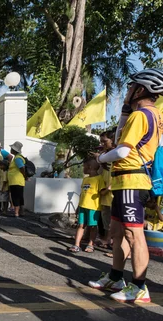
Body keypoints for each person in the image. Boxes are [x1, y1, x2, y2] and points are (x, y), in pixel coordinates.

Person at [89, 68, 163, 302]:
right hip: (124, 180)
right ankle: (116, 276)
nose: (126, 91)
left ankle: (139, 286)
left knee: (133, 233)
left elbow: (122, 149)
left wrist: (100, 159)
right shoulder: (147, 114)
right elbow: (122, 138)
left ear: (140, 90)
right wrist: (123, 113)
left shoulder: (142, 115)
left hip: (132, 179)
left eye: (130, 88)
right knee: (117, 231)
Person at [68, 158, 104, 253]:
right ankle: (76, 244)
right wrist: (78, 206)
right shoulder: (85, 179)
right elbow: (82, 194)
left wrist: (108, 189)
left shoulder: (99, 179)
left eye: (84, 166)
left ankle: (91, 244)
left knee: (93, 226)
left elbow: (102, 192)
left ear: (90, 167)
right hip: (83, 206)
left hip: (94, 207)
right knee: (81, 225)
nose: (83, 168)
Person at [96, 129, 115, 256]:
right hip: (105, 194)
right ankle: (108, 240)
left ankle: (115, 244)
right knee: (106, 219)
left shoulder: (117, 155)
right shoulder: (105, 157)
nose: (102, 144)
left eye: (105, 141)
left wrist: (110, 187)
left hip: (113, 193)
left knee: (116, 221)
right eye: (101, 142)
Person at [0, 141, 26, 217]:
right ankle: (21, 211)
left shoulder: (17, 158)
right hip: (16, 181)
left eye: (12, 148)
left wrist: (24, 175)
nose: (10, 150)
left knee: (16, 197)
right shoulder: (16, 158)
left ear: (15, 150)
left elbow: (22, 167)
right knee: (19, 196)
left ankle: (16, 213)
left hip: (16, 181)